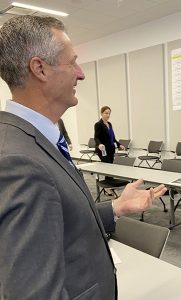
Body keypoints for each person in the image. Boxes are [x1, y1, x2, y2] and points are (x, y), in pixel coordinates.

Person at [0, 15, 166, 299]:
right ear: (39, 68)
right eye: (72, 62)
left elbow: (58, 220)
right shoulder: (20, 162)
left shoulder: (29, 138)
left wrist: (115, 208)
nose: (81, 73)